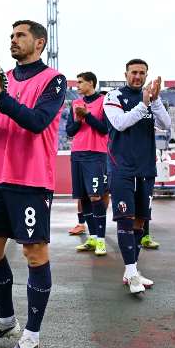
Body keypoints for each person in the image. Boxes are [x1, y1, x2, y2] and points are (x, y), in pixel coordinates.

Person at [0, 20, 66, 348]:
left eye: (20, 35)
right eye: (10, 35)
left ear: (39, 42)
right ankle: (6, 320)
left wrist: (1, 96)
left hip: (31, 180)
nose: (13, 40)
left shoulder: (53, 80)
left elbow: (37, 121)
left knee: (35, 255)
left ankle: (32, 335)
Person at [103, 59, 170, 294]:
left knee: (140, 220)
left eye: (142, 73)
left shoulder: (151, 99)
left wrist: (156, 99)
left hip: (145, 168)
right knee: (125, 218)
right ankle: (132, 273)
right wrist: (143, 105)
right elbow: (120, 124)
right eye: (134, 72)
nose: (137, 77)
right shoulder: (113, 97)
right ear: (126, 74)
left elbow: (165, 124)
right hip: (121, 168)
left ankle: (131, 270)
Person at [65, 72, 109, 255]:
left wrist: (88, 116)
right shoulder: (75, 104)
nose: (77, 86)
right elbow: (70, 131)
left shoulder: (104, 102)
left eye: (81, 82)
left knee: (96, 197)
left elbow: (105, 128)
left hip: (96, 155)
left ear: (91, 83)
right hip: (77, 154)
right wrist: (78, 119)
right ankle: (91, 238)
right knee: (83, 198)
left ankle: (101, 240)